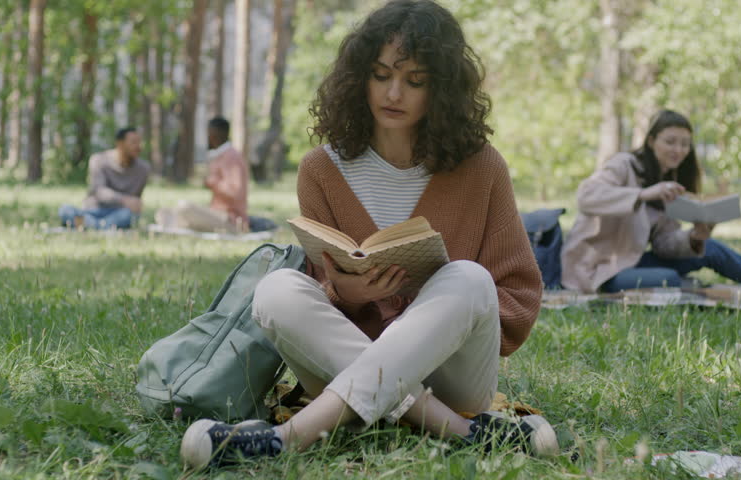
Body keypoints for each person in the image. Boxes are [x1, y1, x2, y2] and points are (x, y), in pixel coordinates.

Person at [179, 0, 557, 469]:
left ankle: (286, 438)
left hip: (451, 375)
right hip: (343, 360)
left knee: (469, 278)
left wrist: (433, 312)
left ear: (441, 89)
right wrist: (346, 293)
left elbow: (517, 295)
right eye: (381, 75)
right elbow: (319, 292)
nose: (393, 92)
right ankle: (462, 432)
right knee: (277, 288)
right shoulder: (321, 169)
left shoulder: (482, 168)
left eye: (414, 80)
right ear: (359, 78)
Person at [560, 110, 741, 293]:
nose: (678, 150)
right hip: (596, 269)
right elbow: (585, 196)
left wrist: (693, 237)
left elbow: (663, 244)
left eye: (684, 144)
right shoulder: (624, 165)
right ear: (652, 141)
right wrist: (643, 194)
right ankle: (700, 289)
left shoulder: (670, 184)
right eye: (670, 142)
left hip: (631, 261)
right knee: (668, 278)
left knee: (710, 248)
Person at [155, 117, 250, 233]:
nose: (208, 138)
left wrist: (212, 182)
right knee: (163, 213)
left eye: (209, 134)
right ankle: (183, 223)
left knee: (185, 207)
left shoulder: (232, 157)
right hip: (217, 215)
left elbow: (236, 192)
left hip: (232, 221)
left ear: (215, 134)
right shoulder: (221, 156)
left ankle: (183, 223)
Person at [58, 127, 149, 230]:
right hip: (93, 210)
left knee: (129, 216)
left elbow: (135, 200)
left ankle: (89, 226)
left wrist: (136, 204)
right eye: (133, 142)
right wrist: (124, 199)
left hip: (119, 214)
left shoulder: (143, 169)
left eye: (139, 142)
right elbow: (99, 191)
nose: (138, 146)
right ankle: (102, 227)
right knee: (65, 210)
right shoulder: (99, 160)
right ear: (120, 144)